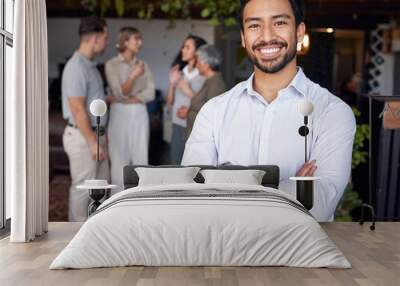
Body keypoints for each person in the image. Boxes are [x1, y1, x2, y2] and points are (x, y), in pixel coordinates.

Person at [182, 0, 356, 222]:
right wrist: (289, 188)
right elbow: (191, 195)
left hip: (299, 253)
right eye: (255, 25)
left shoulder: (332, 112)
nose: (266, 36)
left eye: (280, 22)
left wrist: (228, 184)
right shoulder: (214, 111)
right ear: (244, 38)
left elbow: (318, 207)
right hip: (225, 253)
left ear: (300, 32)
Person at [62, 16, 110, 222]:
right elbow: (77, 109)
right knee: (84, 188)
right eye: (106, 37)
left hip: (94, 134)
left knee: (101, 185)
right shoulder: (76, 67)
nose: (107, 42)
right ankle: (75, 236)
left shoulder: (89, 66)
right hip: (83, 136)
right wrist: (92, 142)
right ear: (95, 38)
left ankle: (94, 234)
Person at [105, 27, 155, 191]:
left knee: (141, 158)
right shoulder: (111, 65)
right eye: (136, 39)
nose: (140, 43)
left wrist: (133, 99)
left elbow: (151, 92)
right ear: (125, 41)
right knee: (119, 159)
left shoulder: (144, 65)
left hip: (140, 112)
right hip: (119, 113)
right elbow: (119, 92)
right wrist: (133, 76)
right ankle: (117, 202)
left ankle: (141, 199)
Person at [166, 35, 207, 164]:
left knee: (194, 168)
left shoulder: (204, 76)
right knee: (176, 166)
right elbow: (169, 103)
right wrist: (172, 83)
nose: (183, 50)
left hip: (195, 127)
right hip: (177, 125)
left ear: (198, 52)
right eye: (183, 47)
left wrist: (186, 88)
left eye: (187, 47)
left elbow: (206, 105)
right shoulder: (179, 73)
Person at [176, 45, 227, 138]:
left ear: (206, 64)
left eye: (198, 61)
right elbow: (204, 107)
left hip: (203, 140)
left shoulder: (216, 83)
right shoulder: (209, 81)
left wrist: (189, 113)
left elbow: (212, 117)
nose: (196, 65)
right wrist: (189, 111)